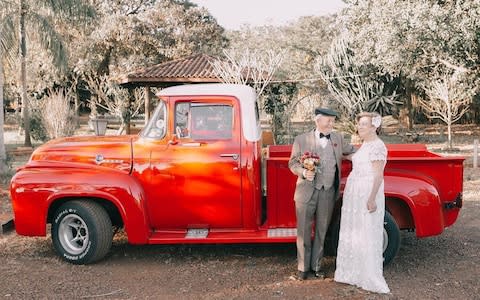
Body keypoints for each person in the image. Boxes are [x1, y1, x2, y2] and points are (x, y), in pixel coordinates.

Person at [288, 107, 355, 280]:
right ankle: (303, 268)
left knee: (321, 231)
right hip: (306, 192)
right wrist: (303, 172)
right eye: (328, 120)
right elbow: (293, 163)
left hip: (327, 192)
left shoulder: (338, 138)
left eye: (333, 120)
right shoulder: (301, 139)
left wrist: (370, 149)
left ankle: (317, 266)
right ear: (317, 120)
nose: (332, 124)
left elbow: (351, 150)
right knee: (303, 230)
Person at [334, 112, 390, 293]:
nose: (360, 127)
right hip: (354, 192)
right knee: (355, 229)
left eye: (364, 124)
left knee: (366, 229)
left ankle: (367, 274)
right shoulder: (365, 144)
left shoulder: (378, 146)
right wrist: (342, 156)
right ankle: (352, 271)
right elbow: (358, 158)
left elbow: (378, 175)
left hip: (367, 191)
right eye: (359, 124)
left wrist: (372, 198)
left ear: (374, 127)